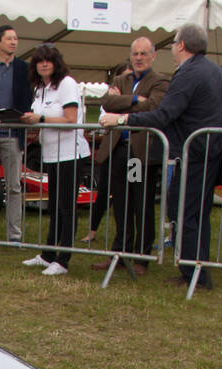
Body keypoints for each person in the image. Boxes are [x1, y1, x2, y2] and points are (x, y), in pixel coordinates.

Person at [101, 23, 222, 290]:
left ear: (182, 45)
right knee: (194, 213)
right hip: (208, 150)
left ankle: (192, 273)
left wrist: (124, 116)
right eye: (135, 53)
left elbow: (162, 113)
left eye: (173, 44)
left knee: (181, 212)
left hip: (191, 151)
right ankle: (196, 271)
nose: (172, 48)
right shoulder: (219, 72)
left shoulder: (185, 74)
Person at [92, 39, 168, 272]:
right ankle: (120, 253)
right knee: (120, 203)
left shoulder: (160, 81)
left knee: (140, 202)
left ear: (153, 56)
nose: (139, 57)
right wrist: (135, 100)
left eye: (144, 53)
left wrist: (122, 106)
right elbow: (107, 102)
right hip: (117, 149)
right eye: (135, 53)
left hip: (138, 153)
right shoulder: (119, 79)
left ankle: (141, 257)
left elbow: (153, 107)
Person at [20, 44, 89, 277]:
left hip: (70, 153)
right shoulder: (41, 88)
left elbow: (70, 119)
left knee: (66, 207)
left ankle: (63, 259)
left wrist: (40, 117)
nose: (44, 64)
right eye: (39, 60)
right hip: (51, 153)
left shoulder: (66, 84)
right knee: (54, 204)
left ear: (56, 62)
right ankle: (48, 254)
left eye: (48, 59)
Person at [0, 25, 32, 243]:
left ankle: (14, 235)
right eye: (9, 38)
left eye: (16, 38)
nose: (14, 42)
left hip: (13, 133)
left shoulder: (25, 69)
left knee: (13, 186)